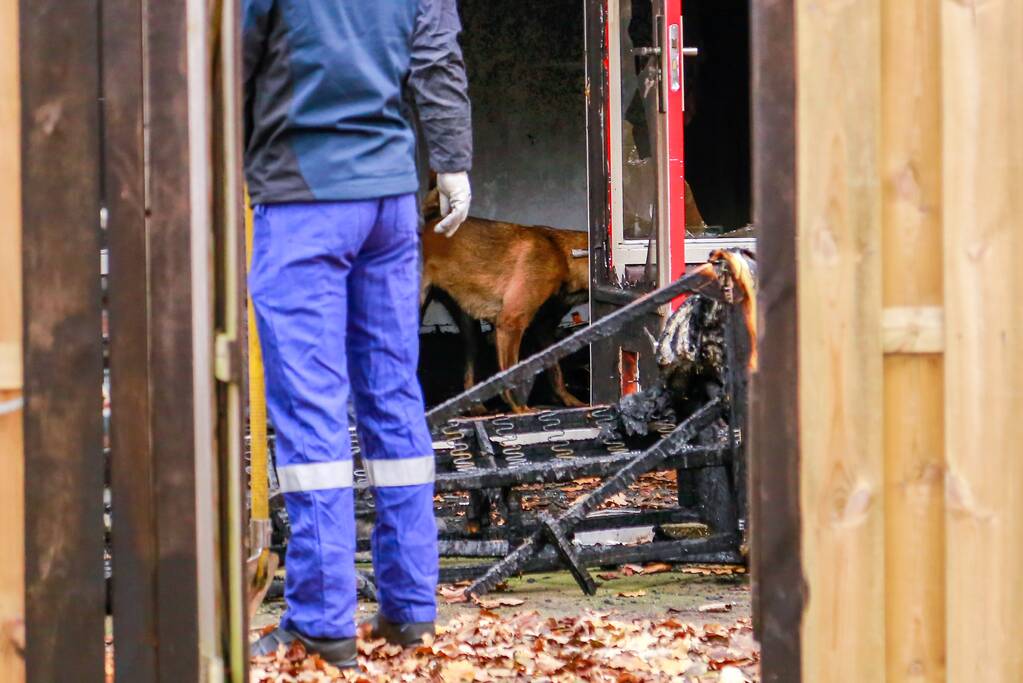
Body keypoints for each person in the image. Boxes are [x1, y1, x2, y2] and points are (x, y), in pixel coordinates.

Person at [242, 0, 472, 668]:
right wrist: (451, 161)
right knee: (392, 395)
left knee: (311, 404)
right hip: (389, 204)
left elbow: (231, 64)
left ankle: (320, 622)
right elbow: (437, 57)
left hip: (301, 198)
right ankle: (409, 608)